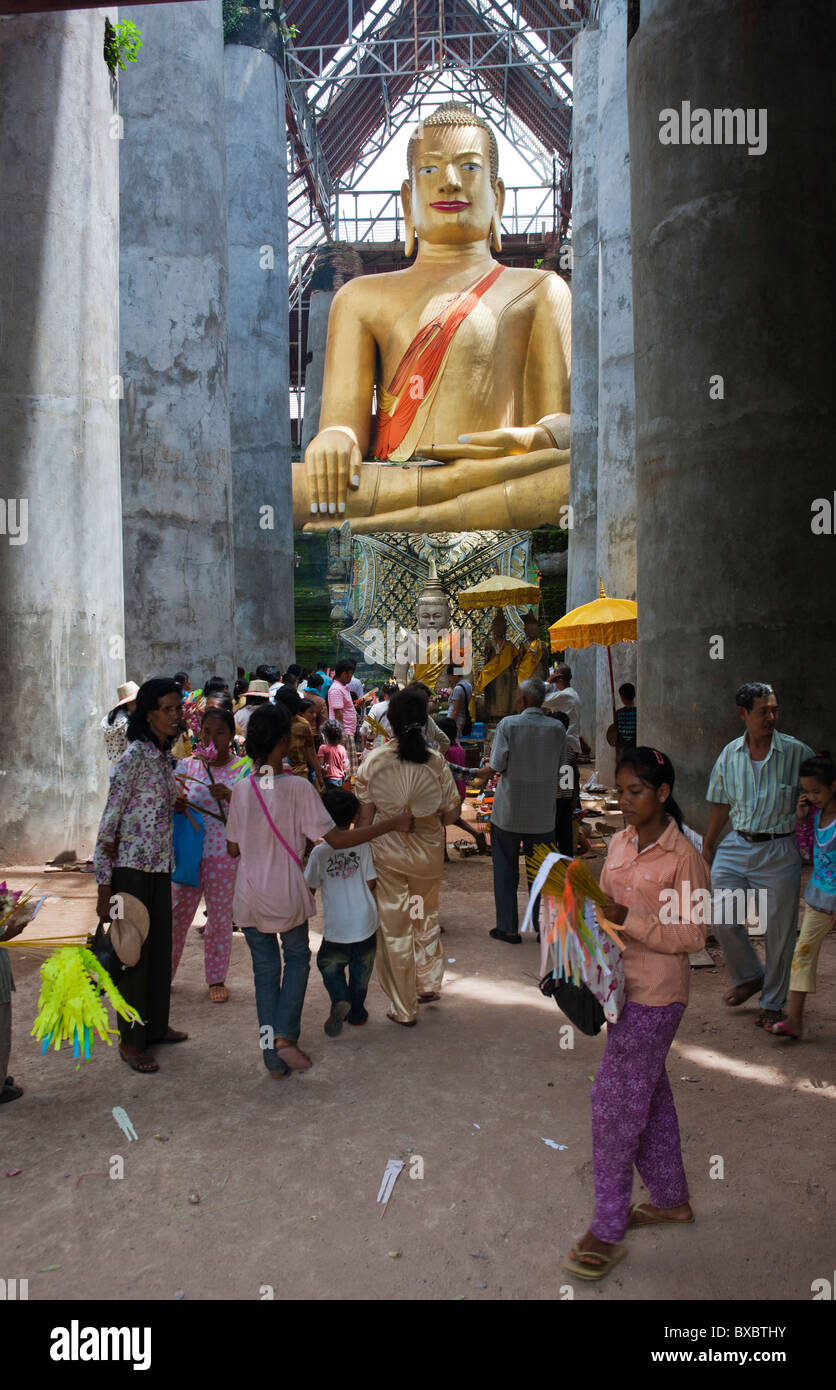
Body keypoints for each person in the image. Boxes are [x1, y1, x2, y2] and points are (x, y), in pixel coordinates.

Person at [563, 747, 709, 1283]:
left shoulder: (684, 858)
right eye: (620, 791)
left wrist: (634, 919)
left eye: (635, 792)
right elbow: (604, 905)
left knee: (613, 1105)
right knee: (649, 1095)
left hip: (658, 996)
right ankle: (671, 1200)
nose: (623, 801)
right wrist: (576, 908)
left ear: (662, 795)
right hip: (618, 990)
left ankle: (605, 1229)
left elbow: (695, 935)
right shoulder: (621, 841)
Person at [225, 703, 411, 1077]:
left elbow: (233, 848)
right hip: (286, 892)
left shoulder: (242, 789)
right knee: (296, 958)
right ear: (282, 742)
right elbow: (338, 839)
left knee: (264, 973)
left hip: (248, 894)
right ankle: (286, 1037)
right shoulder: (297, 787)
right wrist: (390, 824)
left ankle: (272, 1058)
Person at [703, 682, 815, 1029]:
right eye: (763, 710)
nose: (771, 716)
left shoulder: (797, 753)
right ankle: (750, 974)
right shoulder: (729, 754)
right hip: (736, 845)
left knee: (779, 932)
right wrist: (709, 845)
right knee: (722, 915)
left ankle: (772, 1002)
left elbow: (822, 789)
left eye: (774, 709)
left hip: (780, 848)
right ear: (743, 713)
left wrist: (810, 812)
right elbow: (721, 803)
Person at [93, 678, 189, 1074]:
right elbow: (109, 822)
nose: (175, 716)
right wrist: (104, 884)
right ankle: (131, 1042)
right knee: (131, 957)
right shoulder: (133, 757)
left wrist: (175, 805)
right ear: (148, 715)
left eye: (177, 709)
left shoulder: (161, 757)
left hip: (159, 867)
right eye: (167, 710)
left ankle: (156, 1026)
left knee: (157, 951)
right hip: (130, 871)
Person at [353, 689, 461, 1026]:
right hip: (427, 856)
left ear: (391, 722)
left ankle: (404, 1007)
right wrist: (424, 818)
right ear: (426, 721)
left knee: (396, 928)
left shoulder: (374, 761)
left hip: (388, 859)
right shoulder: (436, 761)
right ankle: (427, 984)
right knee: (424, 915)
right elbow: (451, 816)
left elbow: (364, 822)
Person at [470, 677, 567, 944]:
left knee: (505, 870)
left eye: (515, 696)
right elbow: (562, 766)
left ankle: (508, 928)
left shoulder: (508, 725)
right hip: (543, 815)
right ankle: (542, 926)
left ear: (522, 700)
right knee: (541, 872)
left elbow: (498, 763)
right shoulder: (557, 728)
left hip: (509, 811)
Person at [171, 707, 250, 1003]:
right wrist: (177, 805)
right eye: (207, 732)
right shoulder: (187, 766)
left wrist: (230, 796)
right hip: (190, 853)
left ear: (232, 735)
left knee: (219, 917)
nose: (213, 738)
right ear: (199, 733)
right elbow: (174, 800)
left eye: (220, 732)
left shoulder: (244, 768)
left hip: (225, 855)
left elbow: (255, 811)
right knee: (177, 913)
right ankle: (163, 974)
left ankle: (216, 977)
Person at [768, 753, 836, 1039]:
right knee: (802, 953)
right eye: (807, 792)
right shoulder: (817, 816)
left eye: (817, 791)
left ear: (834, 785)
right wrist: (803, 819)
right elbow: (807, 852)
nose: (812, 796)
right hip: (819, 900)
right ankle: (794, 1019)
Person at [305, 788, 379, 1035]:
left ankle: (339, 999)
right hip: (366, 924)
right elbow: (370, 882)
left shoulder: (319, 853)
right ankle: (357, 1013)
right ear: (353, 816)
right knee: (361, 972)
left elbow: (310, 886)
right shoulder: (363, 846)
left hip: (337, 928)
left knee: (328, 964)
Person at [436, 716, 488, 855]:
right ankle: (476, 835)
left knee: (440, 820)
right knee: (454, 819)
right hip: (459, 790)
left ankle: (443, 854)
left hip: (448, 791)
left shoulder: (444, 751)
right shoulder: (459, 748)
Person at [275, 686, 325, 791]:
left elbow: (311, 752)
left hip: (284, 775)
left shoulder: (274, 721)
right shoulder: (302, 724)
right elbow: (311, 753)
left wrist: (319, 776)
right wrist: (320, 777)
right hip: (297, 775)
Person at [327, 659, 360, 777]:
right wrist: (342, 734)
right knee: (347, 765)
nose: (351, 677)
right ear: (344, 674)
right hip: (344, 732)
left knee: (349, 764)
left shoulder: (342, 688)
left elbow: (343, 710)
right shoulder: (336, 689)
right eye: (351, 674)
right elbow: (338, 713)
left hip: (347, 731)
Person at [101, 681, 139, 773]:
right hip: (129, 769)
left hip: (116, 767)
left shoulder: (114, 718)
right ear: (130, 703)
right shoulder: (126, 723)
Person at [544, 662, 582, 745]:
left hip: (566, 743)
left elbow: (537, 697)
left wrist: (548, 681)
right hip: (571, 742)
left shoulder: (565, 695)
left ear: (558, 679)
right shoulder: (572, 693)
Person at [360, 680, 397, 750]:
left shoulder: (376, 707)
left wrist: (364, 743)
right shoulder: (404, 708)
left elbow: (365, 728)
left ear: (384, 694)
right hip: (397, 746)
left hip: (380, 746)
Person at [607, 682, 637, 754]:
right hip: (635, 748)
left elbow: (615, 730)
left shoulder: (618, 713)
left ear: (622, 697)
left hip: (621, 749)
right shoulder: (639, 713)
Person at [319, 721, 349, 789]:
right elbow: (344, 766)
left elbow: (320, 766)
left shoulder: (322, 748)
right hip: (340, 779)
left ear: (325, 735)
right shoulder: (342, 748)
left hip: (328, 779)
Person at [446, 665, 473, 738]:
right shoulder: (469, 685)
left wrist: (451, 724)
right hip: (463, 717)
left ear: (455, 675)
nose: (449, 679)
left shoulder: (458, 689)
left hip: (456, 719)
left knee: (453, 740)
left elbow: (455, 710)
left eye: (449, 676)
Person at [299, 671, 328, 737]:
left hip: (299, 732)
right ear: (319, 686)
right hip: (313, 734)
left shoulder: (300, 694)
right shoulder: (321, 701)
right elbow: (324, 721)